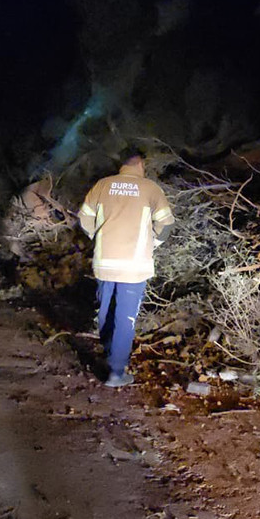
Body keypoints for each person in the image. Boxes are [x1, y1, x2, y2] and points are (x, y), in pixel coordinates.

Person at [78, 153, 174, 387]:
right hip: (134, 266)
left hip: (105, 262)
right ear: (141, 164)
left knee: (105, 311)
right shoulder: (150, 188)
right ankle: (116, 372)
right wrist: (152, 243)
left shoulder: (102, 185)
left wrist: (98, 237)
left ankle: (110, 352)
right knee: (125, 317)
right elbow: (166, 225)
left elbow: (84, 218)